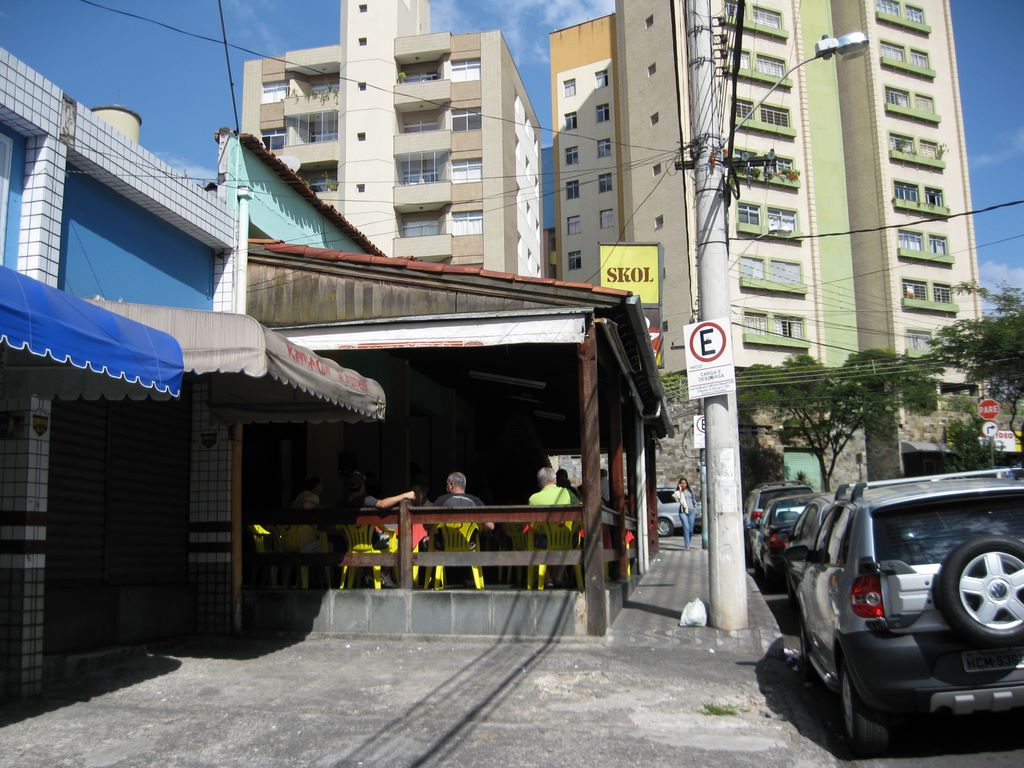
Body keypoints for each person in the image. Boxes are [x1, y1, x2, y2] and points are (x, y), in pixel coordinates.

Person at [673, 478, 698, 550]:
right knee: (686, 527)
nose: (683, 484)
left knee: (690, 529)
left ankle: (689, 542)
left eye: (685, 483)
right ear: (679, 484)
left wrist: (695, 507)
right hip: (683, 512)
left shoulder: (690, 490)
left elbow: (693, 499)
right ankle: (687, 545)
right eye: (682, 483)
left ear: (687, 484)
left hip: (691, 511)